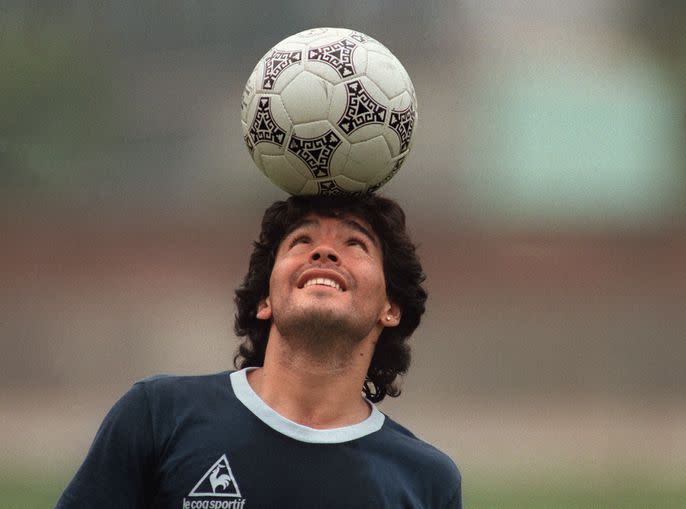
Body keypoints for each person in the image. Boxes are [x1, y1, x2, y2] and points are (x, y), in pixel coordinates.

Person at [55, 194, 462, 509]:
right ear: (264, 299)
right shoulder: (157, 416)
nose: (323, 252)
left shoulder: (426, 480)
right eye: (302, 241)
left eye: (355, 243)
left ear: (390, 308)